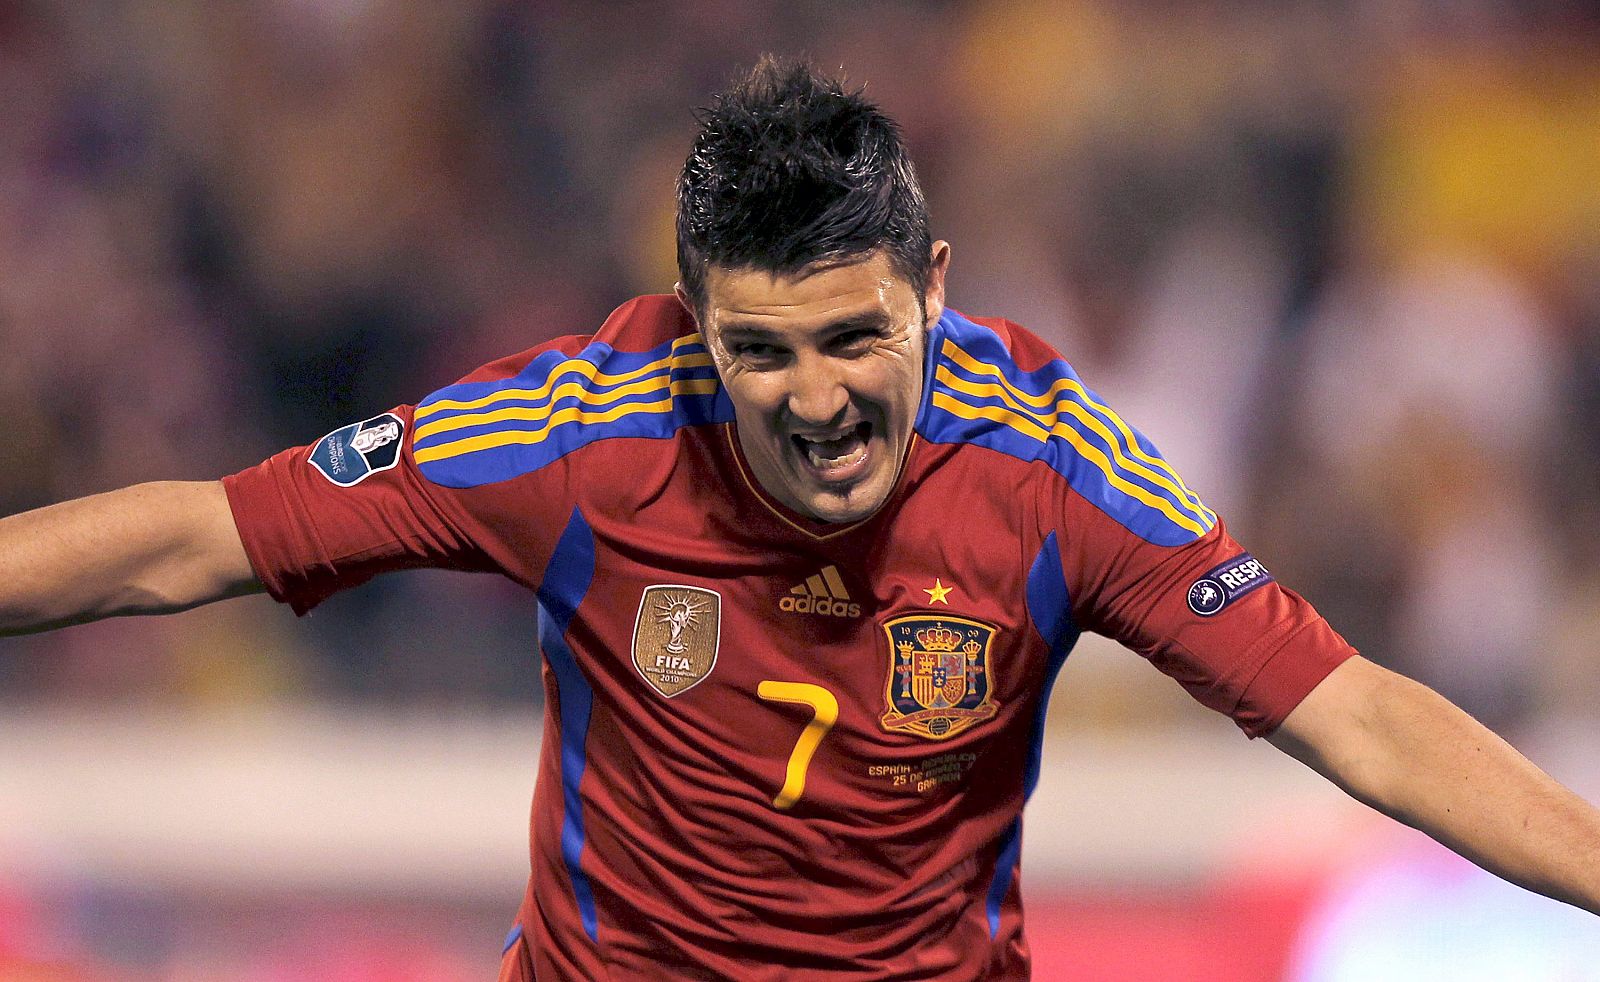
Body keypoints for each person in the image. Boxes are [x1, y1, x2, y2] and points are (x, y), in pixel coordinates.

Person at [2, 56, 1597, 981]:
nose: (816, 398)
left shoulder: (1055, 469)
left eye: (857, 338)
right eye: (757, 352)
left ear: (940, 294)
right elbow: (189, 536)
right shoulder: (576, 429)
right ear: (691, 328)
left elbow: (1362, 719)